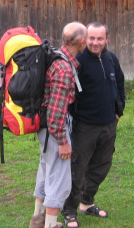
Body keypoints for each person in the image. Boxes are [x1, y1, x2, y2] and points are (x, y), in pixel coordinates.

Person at [62, 21, 126, 228]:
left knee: (101, 166)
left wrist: (118, 111)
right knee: (77, 168)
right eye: (91, 38)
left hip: (109, 124)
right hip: (84, 126)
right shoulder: (78, 60)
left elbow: (120, 84)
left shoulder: (110, 58)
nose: (95, 42)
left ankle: (86, 202)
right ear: (84, 39)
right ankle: (69, 210)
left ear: (107, 39)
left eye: (100, 38)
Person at [29, 21, 88, 228]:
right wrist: (63, 141)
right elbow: (56, 113)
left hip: (45, 129)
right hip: (55, 129)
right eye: (86, 38)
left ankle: (38, 219)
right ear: (81, 41)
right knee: (59, 177)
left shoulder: (56, 57)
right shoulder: (63, 68)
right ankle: (51, 224)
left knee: (46, 170)